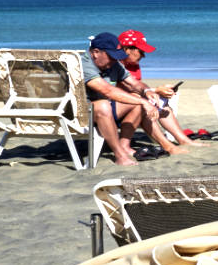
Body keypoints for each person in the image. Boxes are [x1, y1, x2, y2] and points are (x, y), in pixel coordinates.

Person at [85, 33, 181, 165]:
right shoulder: (84, 64)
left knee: (136, 100)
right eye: (111, 57)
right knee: (104, 105)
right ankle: (119, 156)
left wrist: (146, 91)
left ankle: (125, 145)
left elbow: (134, 83)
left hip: (104, 108)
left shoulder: (113, 64)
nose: (114, 60)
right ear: (95, 52)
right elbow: (108, 90)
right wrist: (143, 100)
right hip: (81, 112)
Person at [117, 29, 199, 147]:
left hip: (127, 101)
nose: (144, 55)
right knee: (147, 103)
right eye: (141, 51)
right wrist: (157, 90)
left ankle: (183, 139)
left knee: (161, 102)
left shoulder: (132, 64)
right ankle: (167, 144)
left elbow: (135, 88)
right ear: (127, 49)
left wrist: (158, 90)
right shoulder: (115, 65)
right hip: (118, 105)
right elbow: (122, 90)